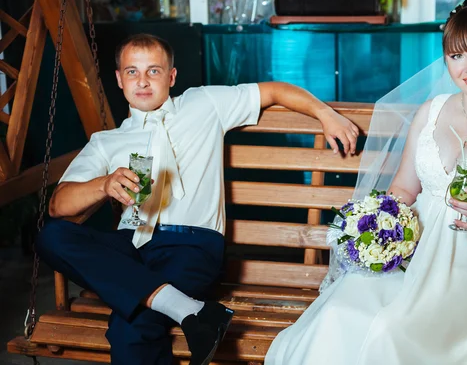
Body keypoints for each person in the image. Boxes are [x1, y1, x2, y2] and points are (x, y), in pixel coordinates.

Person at [265, 0, 467, 365]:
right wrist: (377, 225)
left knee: (389, 332)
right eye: (457, 56)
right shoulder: (432, 110)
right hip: (416, 254)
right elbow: (404, 189)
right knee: (339, 314)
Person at [35, 33, 359, 365]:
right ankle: (191, 311)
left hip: (190, 247)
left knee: (130, 327)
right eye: (132, 72)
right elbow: (58, 205)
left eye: (154, 71)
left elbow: (273, 91)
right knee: (52, 235)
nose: (142, 81)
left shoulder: (205, 103)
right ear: (119, 79)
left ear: (171, 76)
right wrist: (104, 185)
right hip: (129, 246)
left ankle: (183, 308)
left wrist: (324, 113)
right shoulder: (107, 141)